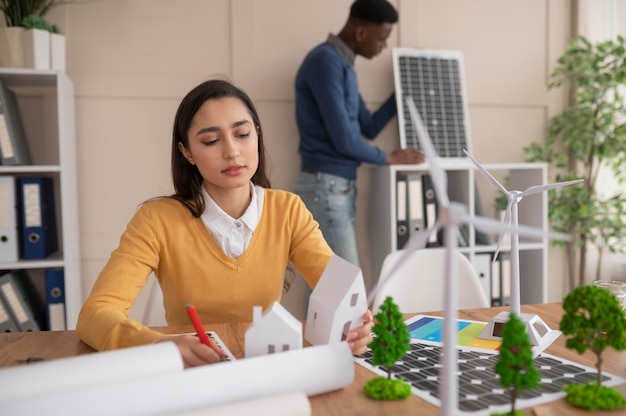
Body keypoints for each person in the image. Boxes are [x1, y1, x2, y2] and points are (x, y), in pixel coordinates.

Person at [76, 79, 374, 368]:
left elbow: (338, 292)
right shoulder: (156, 220)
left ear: (257, 135)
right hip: (195, 373)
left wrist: (357, 325)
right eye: (211, 140)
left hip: (266, 368)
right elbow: (95, 314)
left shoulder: (288, 210)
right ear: (187, 152)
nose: (231, 151)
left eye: (242, 134)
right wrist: (157, 345)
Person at [293, 0, 424, 267]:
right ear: (361, 33)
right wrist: (389, 158)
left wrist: (405, 86)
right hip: (325, 188)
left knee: (327, 286)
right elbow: (344, 141)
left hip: (336, 188)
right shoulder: (324, 63)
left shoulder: (343, 68)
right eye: (382, 38)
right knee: (345, 284)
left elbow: (369, 127)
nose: (384, 46)